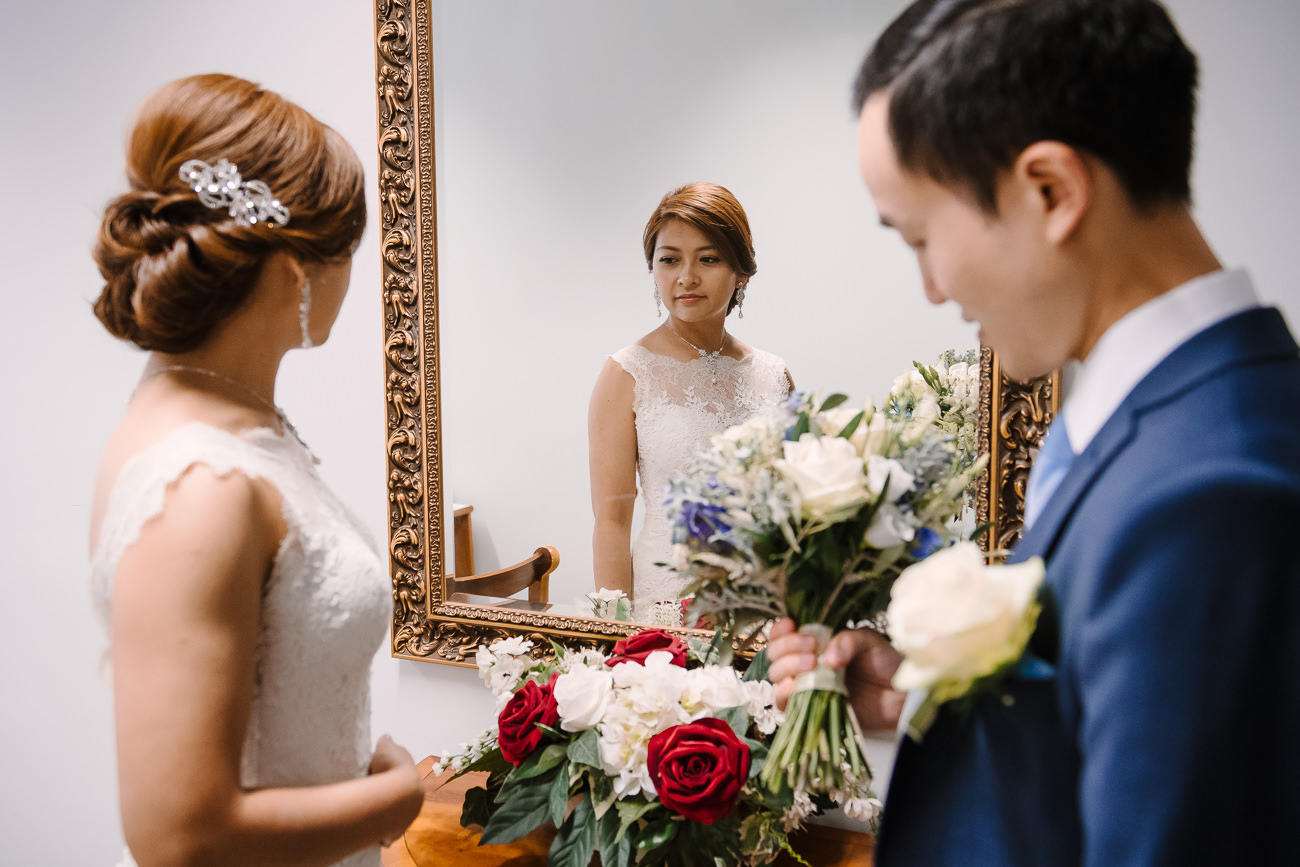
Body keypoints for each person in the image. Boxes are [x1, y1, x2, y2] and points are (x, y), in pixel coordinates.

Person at [768, 0, 1300, 863]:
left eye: (921, 237)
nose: (933, 289)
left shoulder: (1209, 494)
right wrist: (940, 698)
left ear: (1050, 191)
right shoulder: (1158, 421)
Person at [89, 74, 424, 867]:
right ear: (291, 269)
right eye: (347, 248)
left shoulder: (226, 412)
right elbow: (181, 835)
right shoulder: (202, 481)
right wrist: (397, 796)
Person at [589, 183, 794, 623]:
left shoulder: (775, 375)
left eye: (708, 258)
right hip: (665, 608)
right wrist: (610, 637)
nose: (686, 277)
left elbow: (794, 511)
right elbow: (612, 522)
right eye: (670, 259)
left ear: (741, 270)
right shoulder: (625, 374)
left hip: (762, 610)